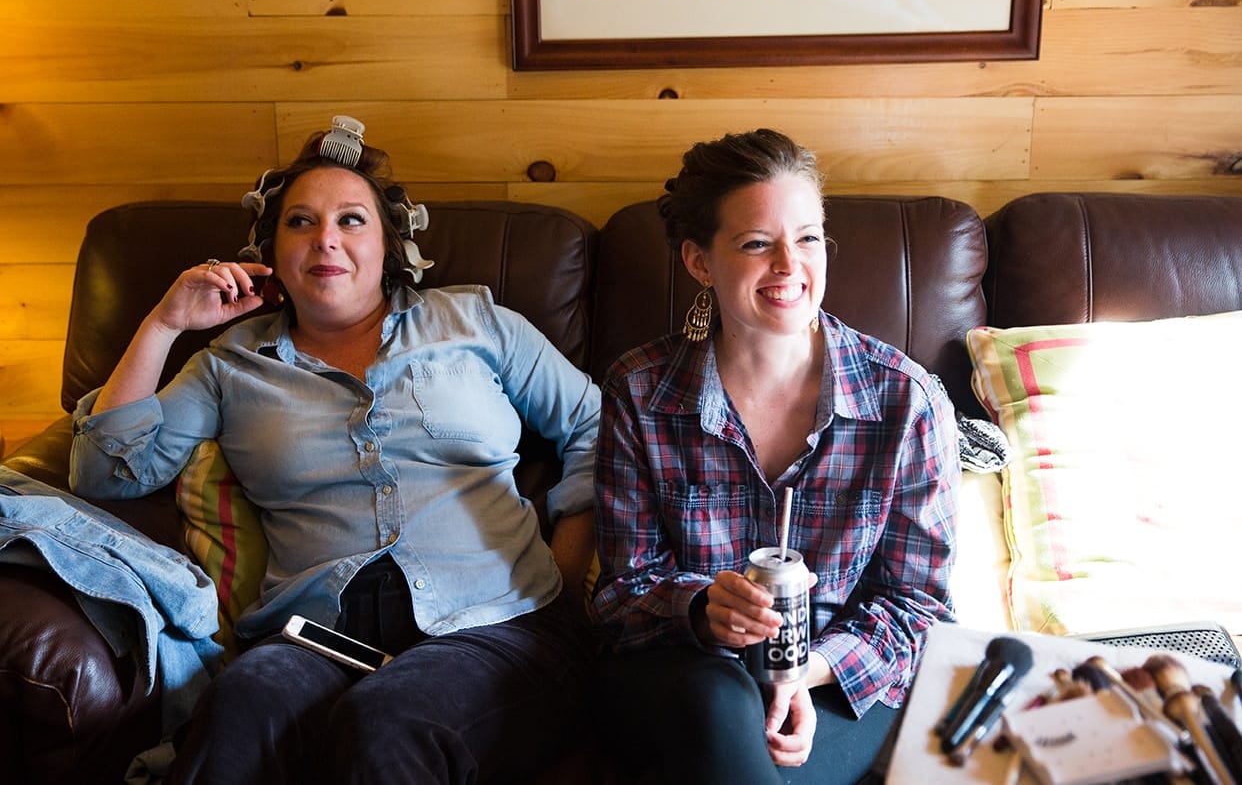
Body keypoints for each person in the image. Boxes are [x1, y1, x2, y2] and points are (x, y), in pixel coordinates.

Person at [68, 116, 601, 784]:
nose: (326, 239)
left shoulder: (477, 323)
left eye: (351, 220)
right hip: (314, 637)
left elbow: (598, 425)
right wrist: (164, 322)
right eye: (300, 222)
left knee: (391, 717)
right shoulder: (229, 365)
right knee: (240, 704)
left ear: (389, 245)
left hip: (499, 625)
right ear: (272, 248)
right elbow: (105, 473)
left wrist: (569, 554)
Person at [590, 128, 959, 784]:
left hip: (836, 682)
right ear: (700, 262)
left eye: (808, 237)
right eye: (757, 243)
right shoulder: (640, 391)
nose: (790, 265)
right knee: (719, 700)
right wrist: (703, 610)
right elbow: (622, 593)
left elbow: (918, 610)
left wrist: (805, 671)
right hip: (686, 676)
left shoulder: (907, 402)